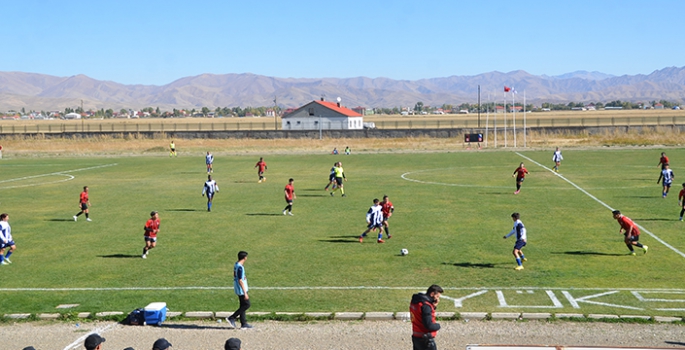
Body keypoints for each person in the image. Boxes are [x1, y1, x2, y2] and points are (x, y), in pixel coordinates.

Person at [410, 284, 443, 350]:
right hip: (425, 339)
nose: (438, 299)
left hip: (416, 336)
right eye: (437, 296)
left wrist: (433, 307)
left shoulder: (415, 302)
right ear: (432, 294)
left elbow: (420, 314)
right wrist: (438, 326)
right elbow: (428, 325)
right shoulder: (426, 306)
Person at [226, 251, 253, 329]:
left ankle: (243, 323)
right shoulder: (240, 267)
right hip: (241, 289)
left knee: (242, 305)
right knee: (247, 305)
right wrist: (245, 292)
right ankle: (232, 317)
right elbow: (240, 280)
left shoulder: (236, 264)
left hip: (237, 288)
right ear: (245, 258)